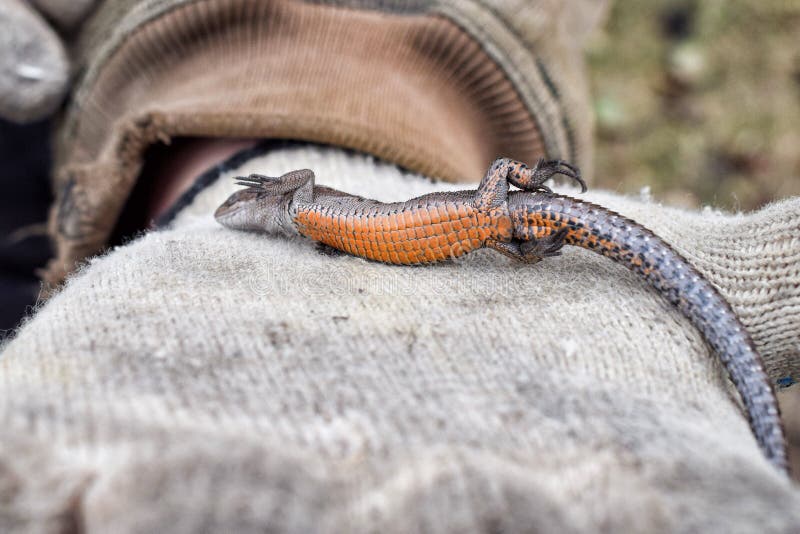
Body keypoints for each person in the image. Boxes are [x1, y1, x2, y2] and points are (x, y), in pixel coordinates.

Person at [1, 1, 799, 532]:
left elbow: (308, 200)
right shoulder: (309, 223)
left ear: (276, 201)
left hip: (481, 209)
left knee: (515, 215)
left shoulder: (306, 206)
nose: (249, 218)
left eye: (255, 209)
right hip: (470, 212)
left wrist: (275, 176)